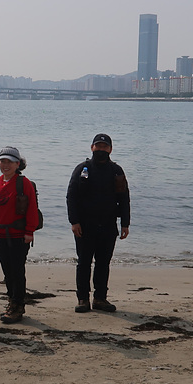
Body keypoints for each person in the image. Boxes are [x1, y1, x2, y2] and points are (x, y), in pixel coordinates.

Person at [66, 133, 130, 313]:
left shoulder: (116, 171)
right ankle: (83, 299)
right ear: (92, 147)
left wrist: (125, 223)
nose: (101, 149)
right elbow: (71, 197)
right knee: (84, 263)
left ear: (110, 149)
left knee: (103, 263)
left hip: (108, 225)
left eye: (105, 146)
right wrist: (74, 221)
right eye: (98, 146)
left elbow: (124, 198)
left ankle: (100, 298)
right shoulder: (82, 169)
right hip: (85, 226)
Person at [0, 146, 39, 324]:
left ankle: (18, 305)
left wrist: (29, 231)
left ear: (17, 164)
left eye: (9, 162)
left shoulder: (24, 183)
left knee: (17, 271)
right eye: (2, 161)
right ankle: (12, 301)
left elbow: (32, 209)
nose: (5, 165)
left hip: (19, 236)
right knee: (7, 271)